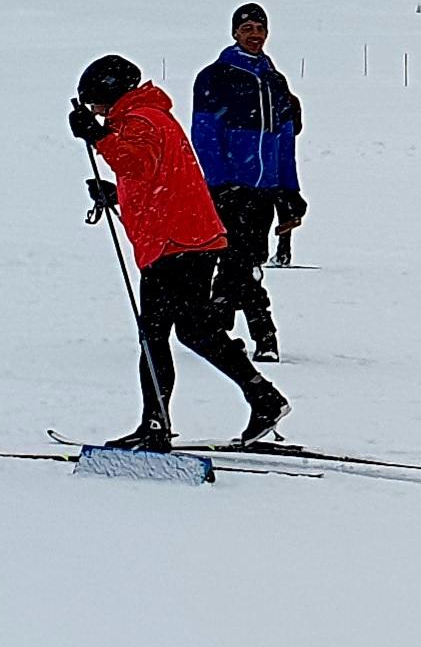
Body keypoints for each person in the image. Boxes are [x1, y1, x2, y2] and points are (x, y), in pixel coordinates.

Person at [72, 54, 288, 450]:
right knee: (193, 330)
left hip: (177, 245)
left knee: (155, 335)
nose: (94, 112)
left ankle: (155, 425)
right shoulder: (143, 119)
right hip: (186, 239)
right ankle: (262, 398)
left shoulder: (142, 121)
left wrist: (97, 138)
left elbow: (138, 161)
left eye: (94, 104)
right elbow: (156, 180)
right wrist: (116, 193)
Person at [191, 2, 304, 360]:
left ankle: (215, 324)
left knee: (243, 260)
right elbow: (205, 134)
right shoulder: (215, 76)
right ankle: (263, 333)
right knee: (238, 259)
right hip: (228, 188)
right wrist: (221, 182)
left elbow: (284, 141)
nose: (255, 35)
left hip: (264, 189)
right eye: (247, 28)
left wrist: (289, 190)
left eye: (260, 28)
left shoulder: (275, 81)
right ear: (234, 32)